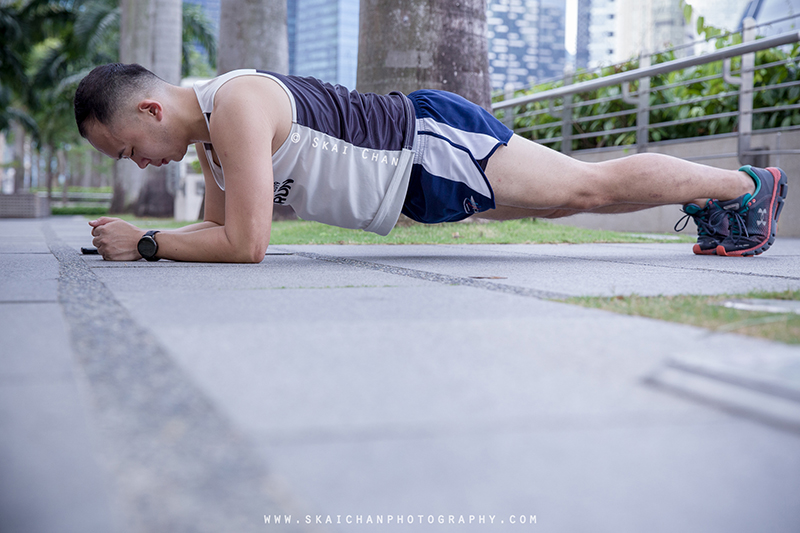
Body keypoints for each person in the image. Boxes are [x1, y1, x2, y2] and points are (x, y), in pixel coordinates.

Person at [74, 63, 788, 263]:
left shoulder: (235, 105)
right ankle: (724, 197)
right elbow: (216, 233)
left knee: (586, 188)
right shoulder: (212, 140)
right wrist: (150, 242)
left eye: (129, 150)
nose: (138, 165)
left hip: (426, 144)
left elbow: (246, 244)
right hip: (412, 184)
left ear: (150, 111)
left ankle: (746, 185)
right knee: (568, 199)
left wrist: (146, 242)